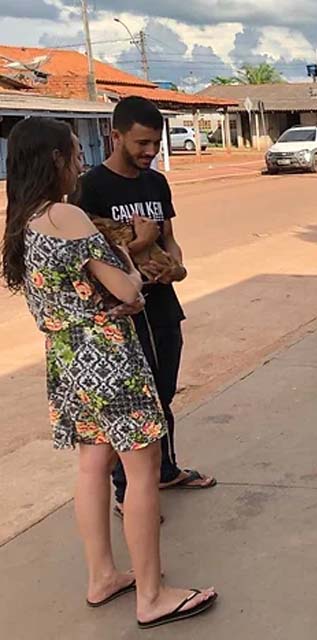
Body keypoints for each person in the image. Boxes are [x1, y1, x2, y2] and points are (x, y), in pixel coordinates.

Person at [1, 117, 217, 628]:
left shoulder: (25, 220)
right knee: (141, 474)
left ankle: (101, 576)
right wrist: (130, 250)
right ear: (54, 158)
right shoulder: (67, 216)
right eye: (75, 152)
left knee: (91, 465)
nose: (81, 160)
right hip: (108, 356)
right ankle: (153, 594)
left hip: (66, 357)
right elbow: (125, 288)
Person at [78, 97, 216, 520]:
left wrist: (173, 263)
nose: (149, 151)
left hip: (163, 308)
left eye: (155, 143)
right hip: (123, 314)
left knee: (164, 394)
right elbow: (87, 258)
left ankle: (165, 471)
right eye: (141, 143)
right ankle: (128, 492)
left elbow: (169, 237)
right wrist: (137, 247)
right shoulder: (91, 188)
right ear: (114, 135)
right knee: (137, 404)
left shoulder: (155, 184)